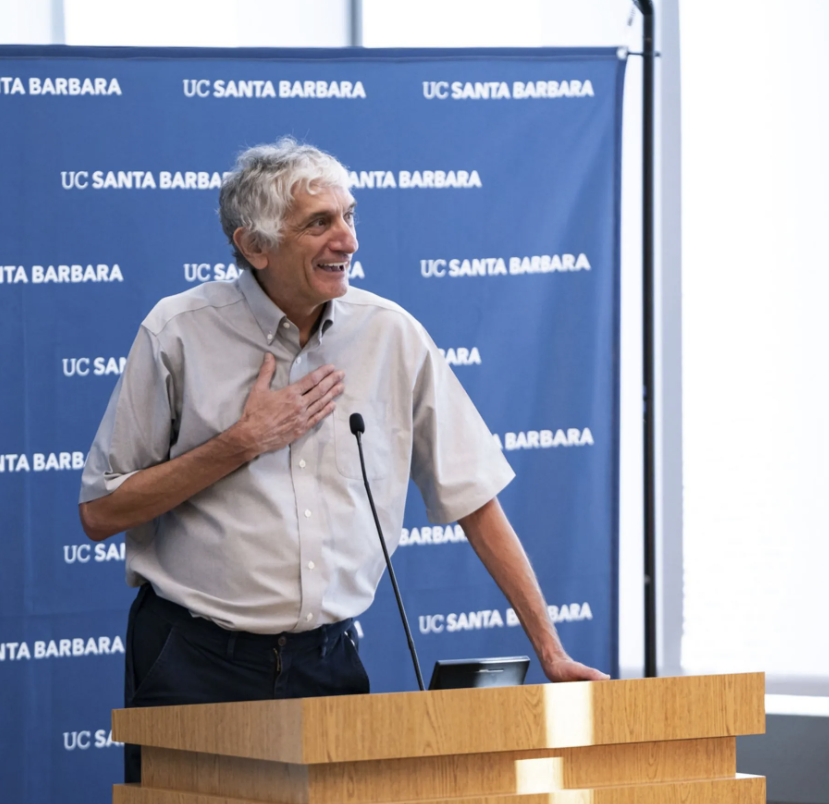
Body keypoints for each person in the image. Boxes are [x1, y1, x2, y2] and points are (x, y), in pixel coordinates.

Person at [78, 137, 607, 783]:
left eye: (350, 216)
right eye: (319, 224)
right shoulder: (178, 331)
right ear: (254, 247)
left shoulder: (390, 334)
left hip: (326, 665)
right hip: (193, 662)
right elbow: (102, 512)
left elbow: (474, 498)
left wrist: (548, 651)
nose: (348, 240)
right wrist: (242, 442)